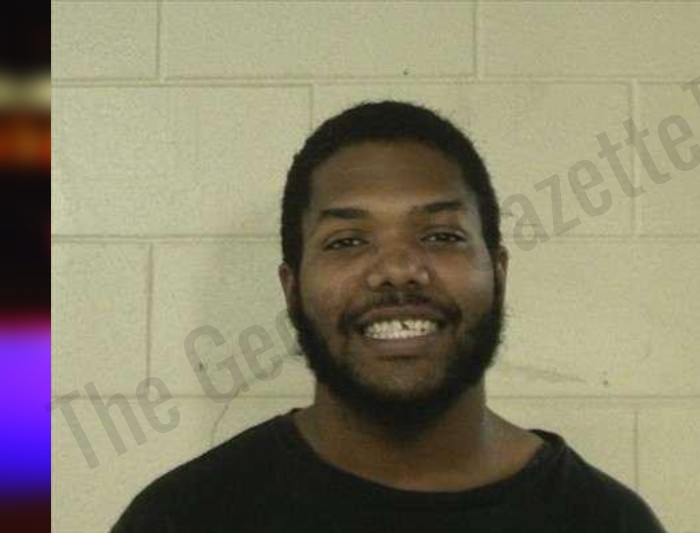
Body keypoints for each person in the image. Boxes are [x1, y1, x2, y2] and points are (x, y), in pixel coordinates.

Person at [112, 101, 666, 532]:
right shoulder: (183, 518)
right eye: (347, 241)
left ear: (498, 273)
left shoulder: (606, 522)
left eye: (441, 236)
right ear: (291, 288)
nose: (399, 269)